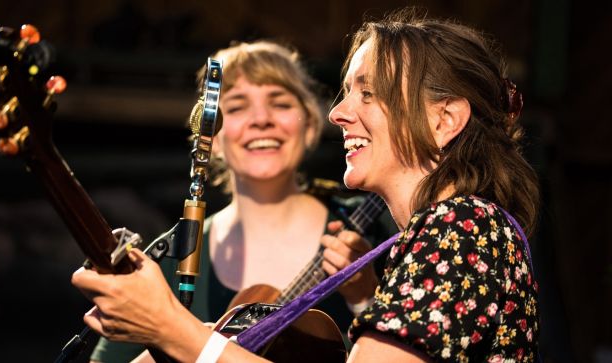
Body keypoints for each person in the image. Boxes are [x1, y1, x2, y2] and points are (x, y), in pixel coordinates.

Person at [72, 8, 540, 362]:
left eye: (368, 91)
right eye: (344, 92)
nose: (339, 112)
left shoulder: (464, 226)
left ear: (445, 120)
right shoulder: (450, 231)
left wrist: (172, 325)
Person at [88, 40, 389, 363]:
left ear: (311, 123)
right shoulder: (176, 255)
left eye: (280, 103)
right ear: (211, 137)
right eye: (237, 106)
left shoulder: (379, 228)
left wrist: (365, 300)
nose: (261, 119)